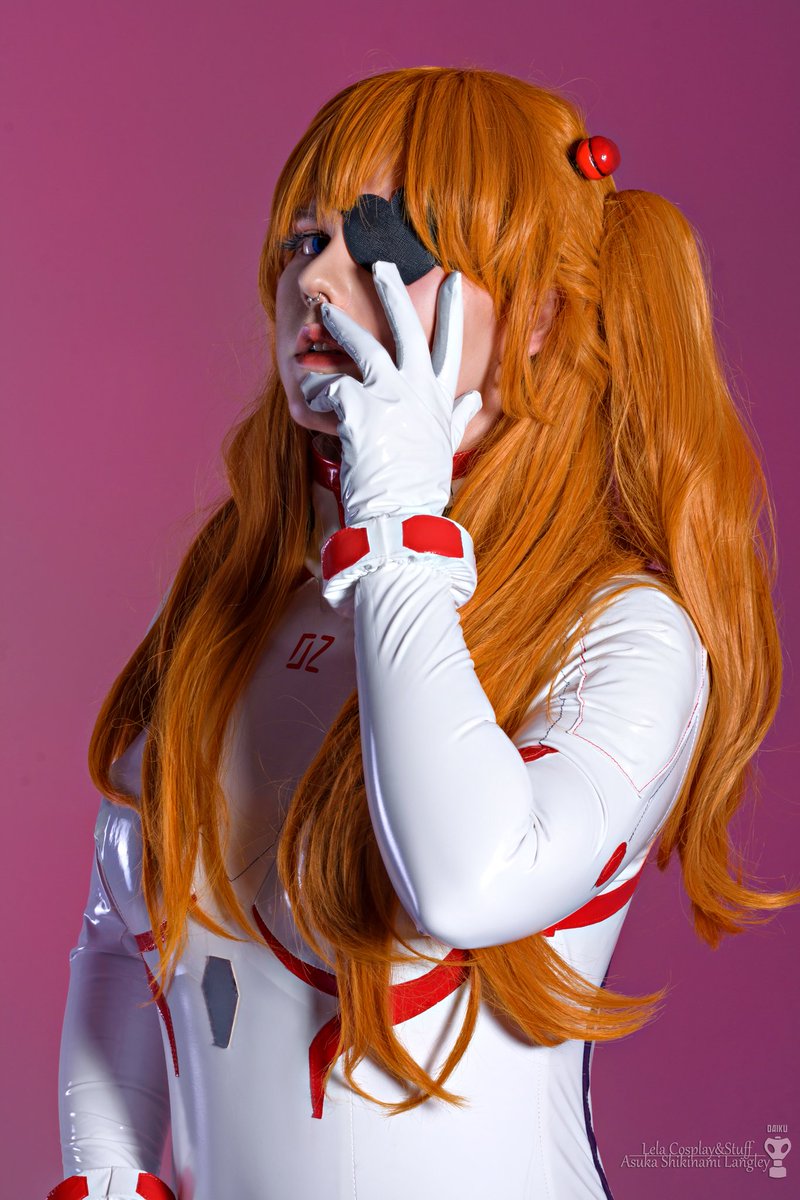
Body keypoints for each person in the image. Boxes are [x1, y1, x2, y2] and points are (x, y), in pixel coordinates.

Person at [50, 67, 798, 1200]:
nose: (317, 282)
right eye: (305, 241)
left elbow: (467, 881)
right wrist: (104, 1178)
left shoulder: (625, 631)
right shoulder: (236, 593)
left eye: (385, 249)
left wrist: (400, 524)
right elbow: (122, 934)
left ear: (537, 315)